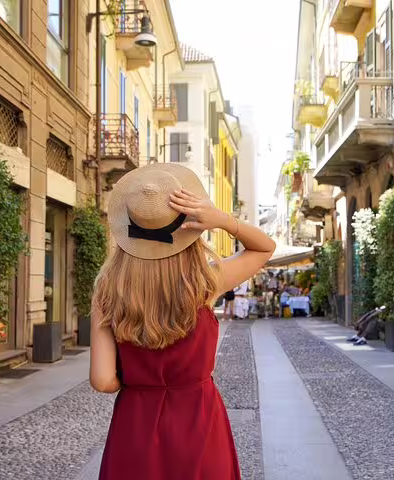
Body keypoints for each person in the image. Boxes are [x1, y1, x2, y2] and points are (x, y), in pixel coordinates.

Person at [89, 163, 276, 480]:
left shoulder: (106, 289)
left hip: (134, 425)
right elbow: (265, 248)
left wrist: (140, 381)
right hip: (199, 422)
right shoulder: (205, 282)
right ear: (187, 228)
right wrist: (223, 221)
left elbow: (103, 381)